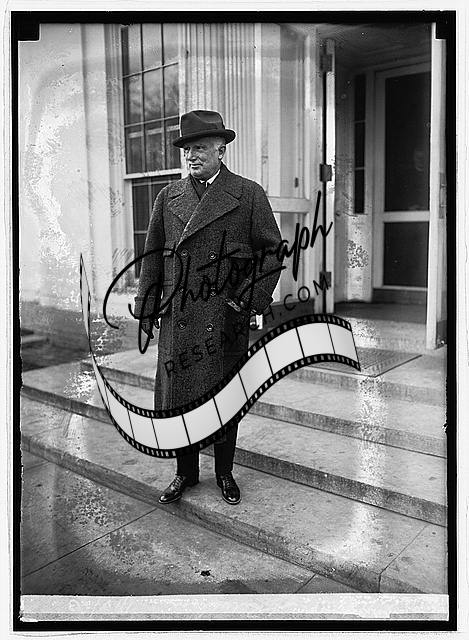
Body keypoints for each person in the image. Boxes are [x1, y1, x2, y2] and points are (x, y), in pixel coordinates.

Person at [134, 110, 282, 505]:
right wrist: (147, 309)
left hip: (224, 317)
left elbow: (272, 252)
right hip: (178, 316)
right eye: (187, 150)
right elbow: (152, 256)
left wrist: (249, 298)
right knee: (180, 401)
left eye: (199, 148)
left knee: (223, 398)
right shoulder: (168, 197)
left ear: (221, 149)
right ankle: (185, 474)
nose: (191, 156)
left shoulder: (248, 194)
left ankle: (224, 473)